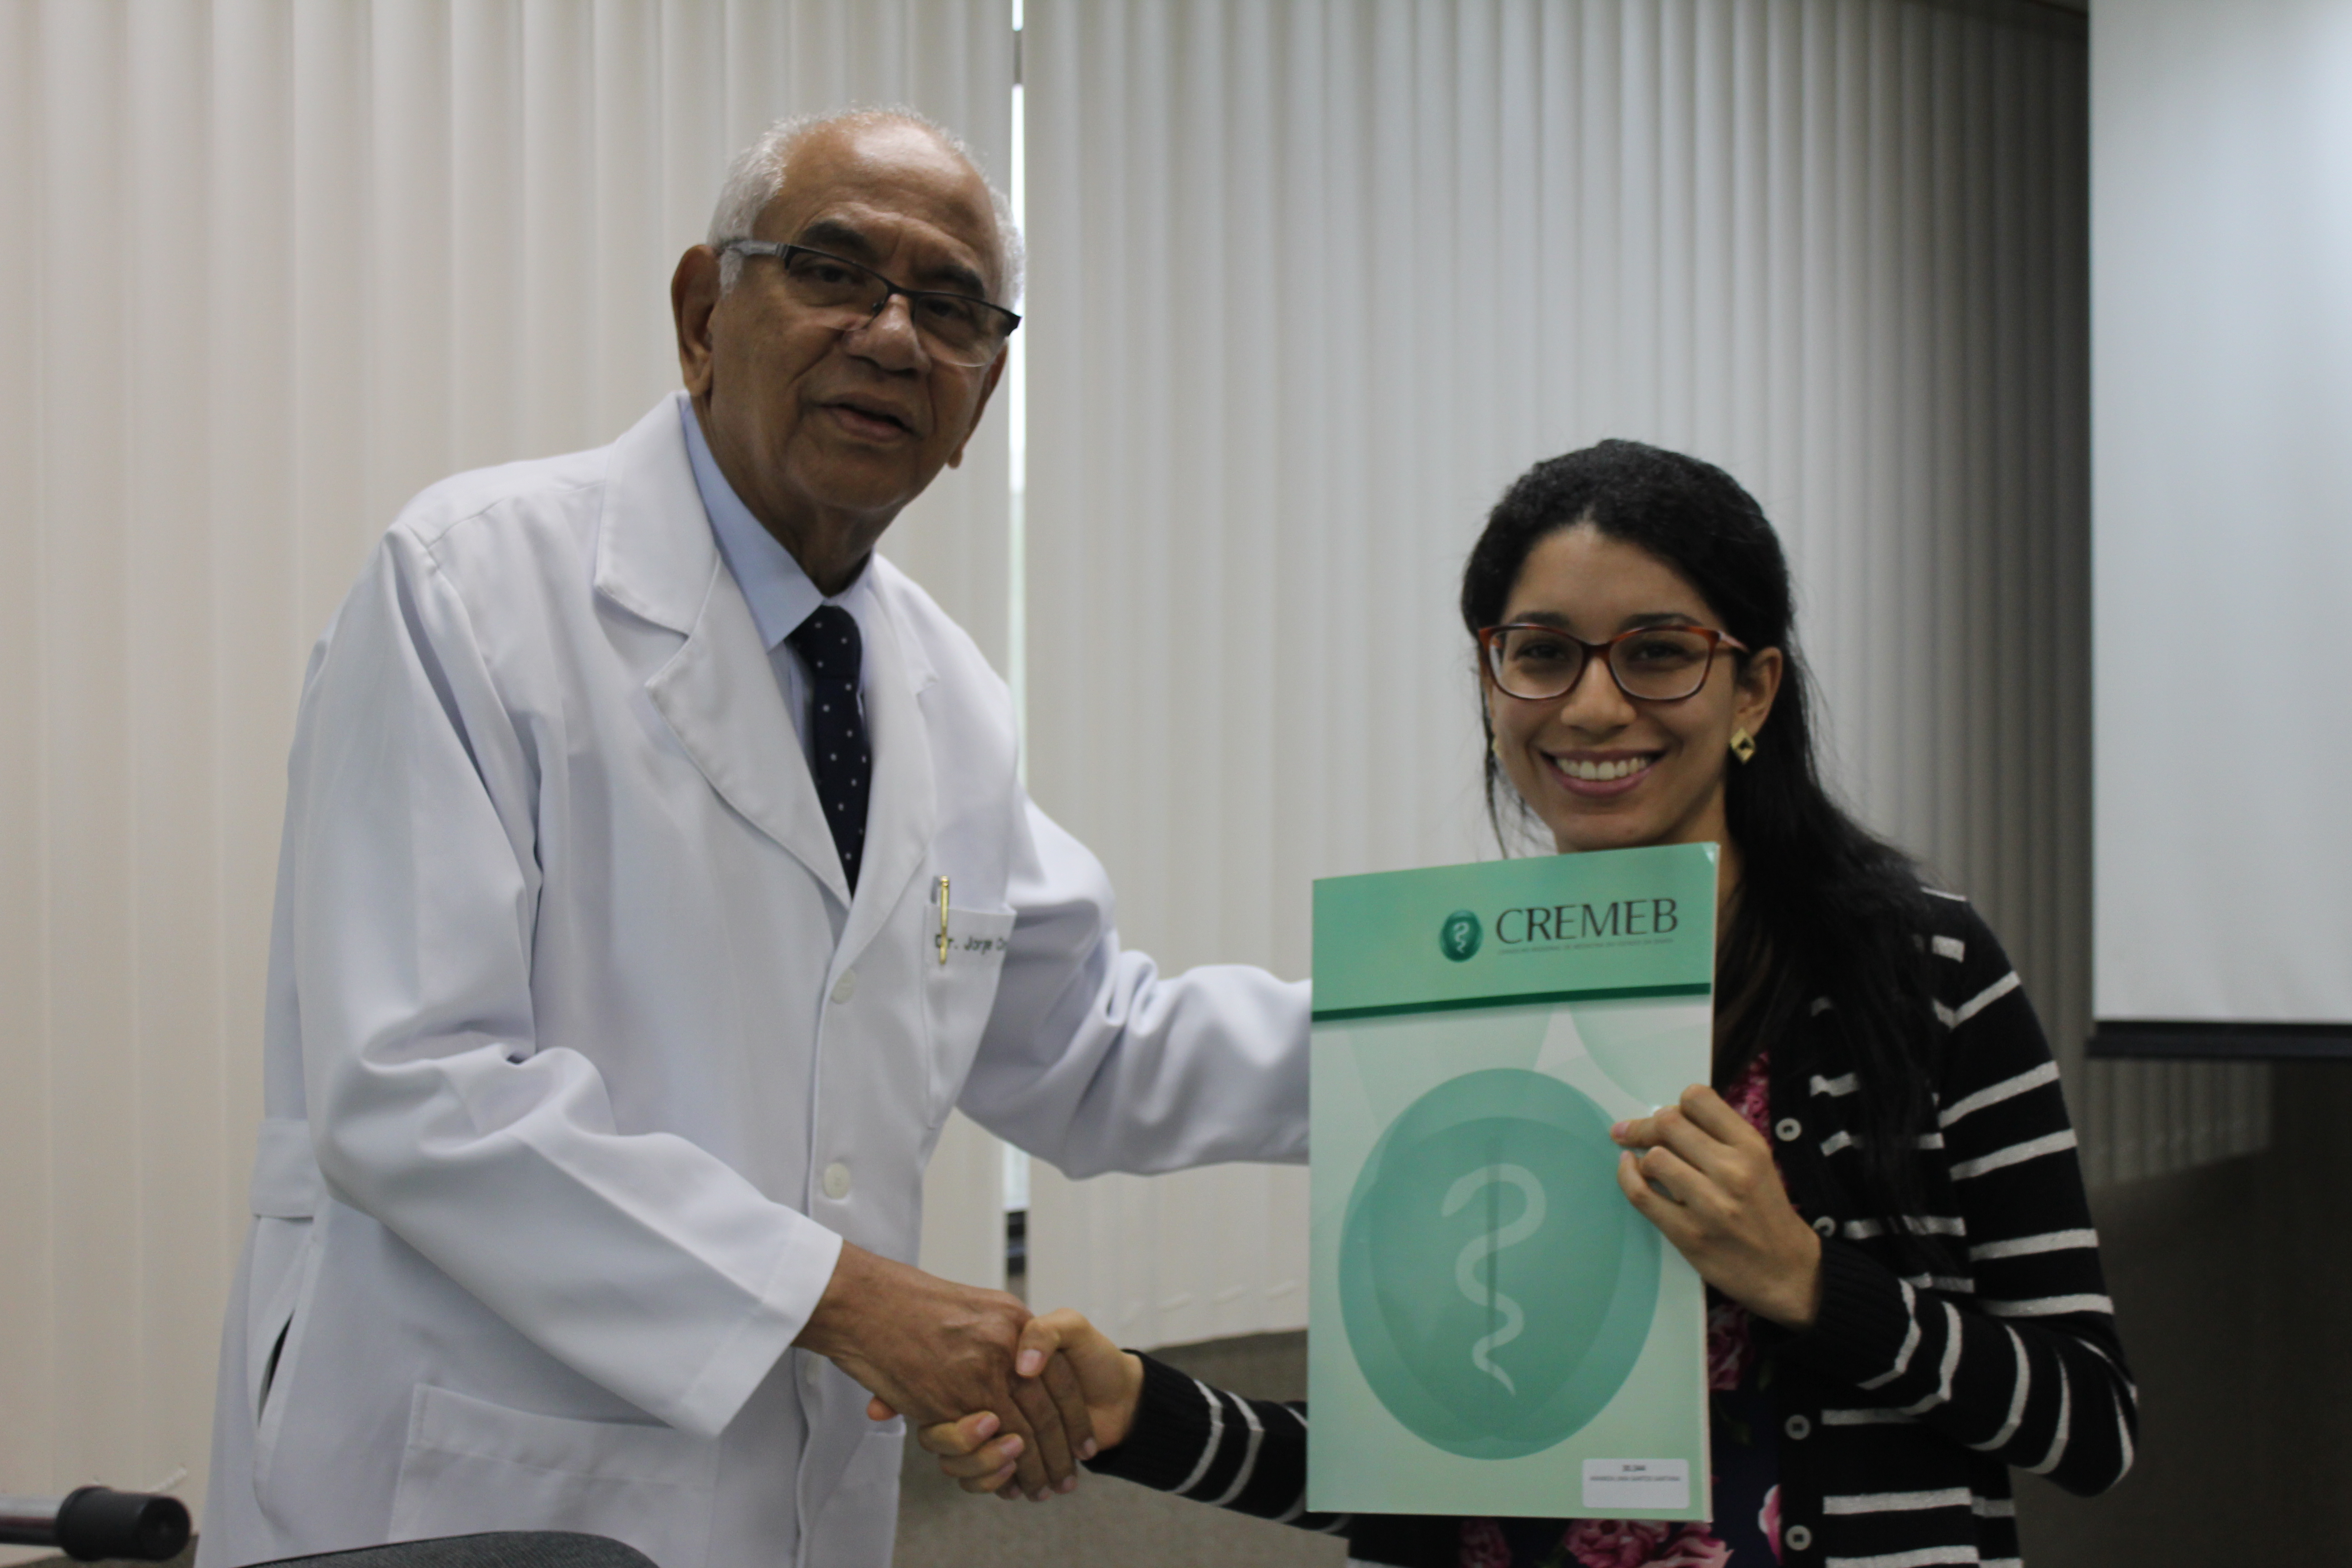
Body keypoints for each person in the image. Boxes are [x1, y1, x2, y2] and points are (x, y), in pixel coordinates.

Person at [198, 108, 1308, 1568]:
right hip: (465, 1478)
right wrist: (845, 1300)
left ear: (983, 392)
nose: (893, 337)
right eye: (833, 271)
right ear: (701, 315)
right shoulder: (471, 589)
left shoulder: (945, 693)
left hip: (786, 1490)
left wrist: (1478, 1032)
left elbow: (1091, 1044)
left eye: (953, 308)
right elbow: (416, 1089)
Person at [915, 441, 2136, 1567]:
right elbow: (1422, 1470)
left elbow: (2091, 1424)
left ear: (1754, 689)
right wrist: (1138, 1408)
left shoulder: (1923, 969)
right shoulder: (1447, 997)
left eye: (1659, 652)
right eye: (1544, 653)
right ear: (1492, 679)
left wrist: (1808, 1278)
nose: (1593, 707)